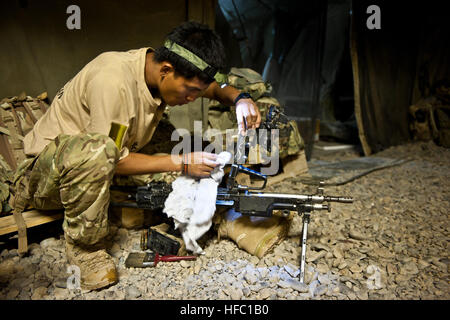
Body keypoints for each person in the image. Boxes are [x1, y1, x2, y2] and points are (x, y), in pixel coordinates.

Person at [13, 21, 261, 290]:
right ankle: (86, 251)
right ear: (166, 71)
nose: (193, 99)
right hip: (46, 178)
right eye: (189, 92)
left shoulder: (162, 68)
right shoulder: (113, 81)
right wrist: (180, 163)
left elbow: (213, 87)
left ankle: (210, 214)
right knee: (109, 151)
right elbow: (113, 158)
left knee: (188, 149)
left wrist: (240, 98)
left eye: (197, 94)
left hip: (103, 160)